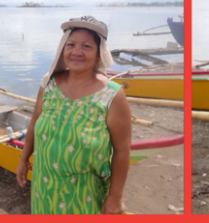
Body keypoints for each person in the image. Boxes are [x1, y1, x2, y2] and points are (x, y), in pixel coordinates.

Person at [16, 16, 132, 214]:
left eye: (86, 46)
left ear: (98, 54)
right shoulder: (49, 85)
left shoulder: (112, 96)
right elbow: (35, 120)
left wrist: (115, 198)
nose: (77, 52)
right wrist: (23, 158)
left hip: (85, 196)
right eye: (70, 45)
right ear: (63, 50)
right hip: (44, 189)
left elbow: (122, 151)